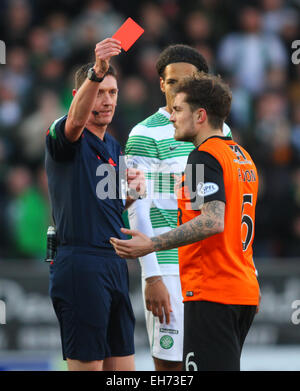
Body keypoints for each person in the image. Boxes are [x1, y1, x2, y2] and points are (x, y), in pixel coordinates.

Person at [111, 72, 260, 371]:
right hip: (243, 289)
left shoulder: (202, 158)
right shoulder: (241, 155)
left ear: (200, 115)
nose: (172, 118)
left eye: (178, 110)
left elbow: (212, 221)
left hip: (212, 292)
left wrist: (151, 244)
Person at [125, 44, 232, 371]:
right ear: (161, 84)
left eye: (188, 82)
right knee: (170, 367)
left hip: (210, 268)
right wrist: (152, 277)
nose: (179, 90)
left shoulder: (219, 132)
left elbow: (222, 204)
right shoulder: (143, 134)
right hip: (169, 269)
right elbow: (136, 208)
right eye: (172, 82)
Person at [45, 38, 145, 371]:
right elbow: (74, 123)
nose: (107, 100)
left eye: (112, 93)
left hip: (115, 263)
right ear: (80, 96)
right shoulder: (64, 133)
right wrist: (96, 71)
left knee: (124, 373)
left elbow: (108, 204)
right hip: (81, 264)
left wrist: (132, 193)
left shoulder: (114, 146)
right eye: (100, 91)